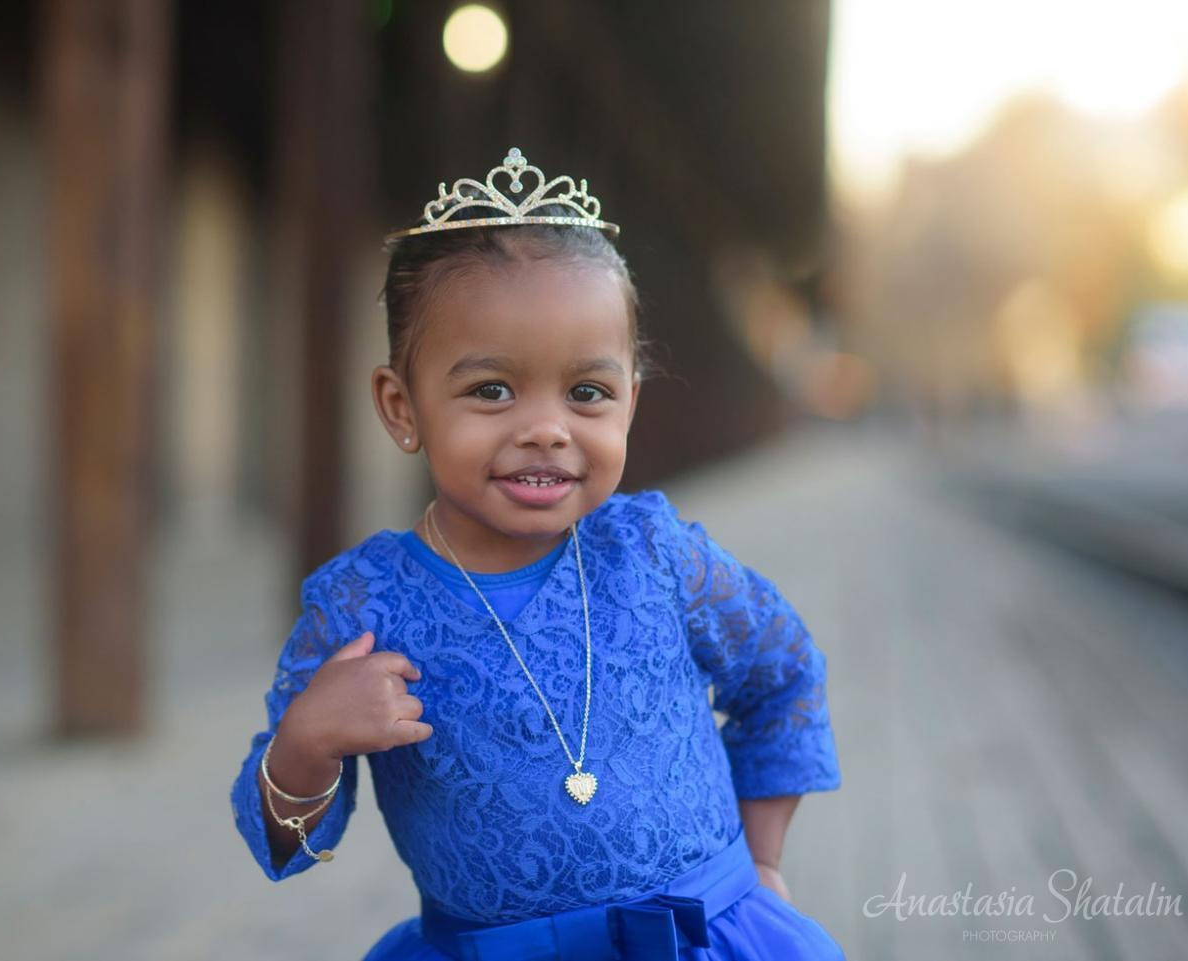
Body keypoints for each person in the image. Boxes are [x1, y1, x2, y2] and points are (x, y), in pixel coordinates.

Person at [229, 147, 845, 960]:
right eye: (492, 389)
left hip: (706, 938)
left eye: (587, 391)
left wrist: (761, 857)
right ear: (400, 405)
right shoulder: (365, 605)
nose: (547, 427)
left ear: (630, 397)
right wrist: (308, 740)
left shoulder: (654, 554)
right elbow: (282, 838)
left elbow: (783, 669)